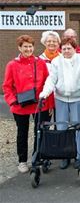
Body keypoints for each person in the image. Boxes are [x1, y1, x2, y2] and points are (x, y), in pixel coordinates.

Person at [3, 35, 52, 173]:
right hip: (20, 106)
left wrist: (50, 104)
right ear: (19, 48)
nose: (28, 49)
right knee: (22, 133)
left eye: (30, 46)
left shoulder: (41, 63)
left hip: (40, 104)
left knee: (40, 132)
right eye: (25, 46)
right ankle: (22, 161)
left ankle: (38, 158)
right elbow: (7, 86)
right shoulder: (12, 65)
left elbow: (48, 83)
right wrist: (12, 101)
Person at [39, 37, 80, 169]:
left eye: (69, 48)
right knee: (61, 127)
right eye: (64, 49)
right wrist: (45, 93)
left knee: (78, 127)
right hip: (60, 98)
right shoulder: (56, 61)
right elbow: (52, 79)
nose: (66, 51)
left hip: (78, 98)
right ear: (60, 50)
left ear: (74, 48)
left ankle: (79, 155)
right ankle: (64, 155)